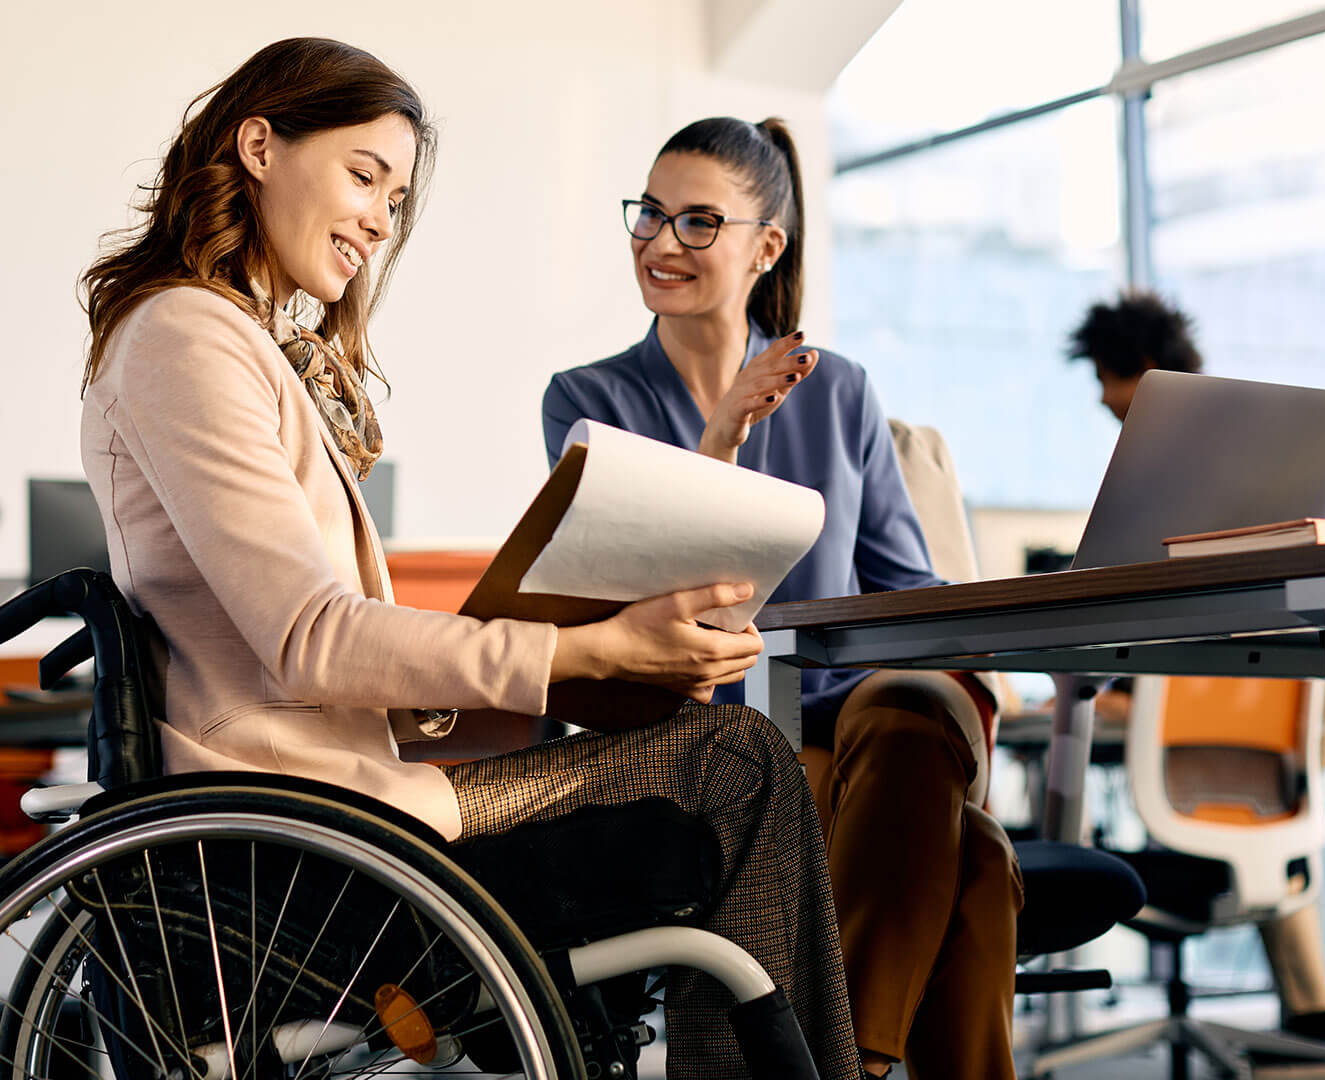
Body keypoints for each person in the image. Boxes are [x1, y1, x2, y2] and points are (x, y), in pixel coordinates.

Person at [75, 39, 862, 1079]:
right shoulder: (188, 334)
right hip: (304, 831)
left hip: (339, 799)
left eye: (396, 199)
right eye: (364, 175)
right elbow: (311, 639)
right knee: (735, 759)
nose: (378, 221)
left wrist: (592, 655)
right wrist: (585, 652)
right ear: (258, 145)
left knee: (725, 754)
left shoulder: (233, 342)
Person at [542, 117, 1023, 1080]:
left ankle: (847, 1067)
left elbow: (908, 589)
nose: (661, 242)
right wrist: (718, 441)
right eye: (649, 214)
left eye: (698, 222)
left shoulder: (839, 390)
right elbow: (621, 621)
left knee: (908, 705)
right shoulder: (587, 402)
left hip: (865, 730)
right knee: (970, 862)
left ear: (768, 246)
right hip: (707, 737)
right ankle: (859, 1063)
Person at [1069, 289, 1325, 1076]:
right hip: (1302, 644)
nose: (1102, 403)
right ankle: (1317, 1007)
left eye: (1107, 384)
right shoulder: (1231, 444)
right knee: (1276, 804)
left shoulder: (1199, 453)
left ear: (1143, 375)